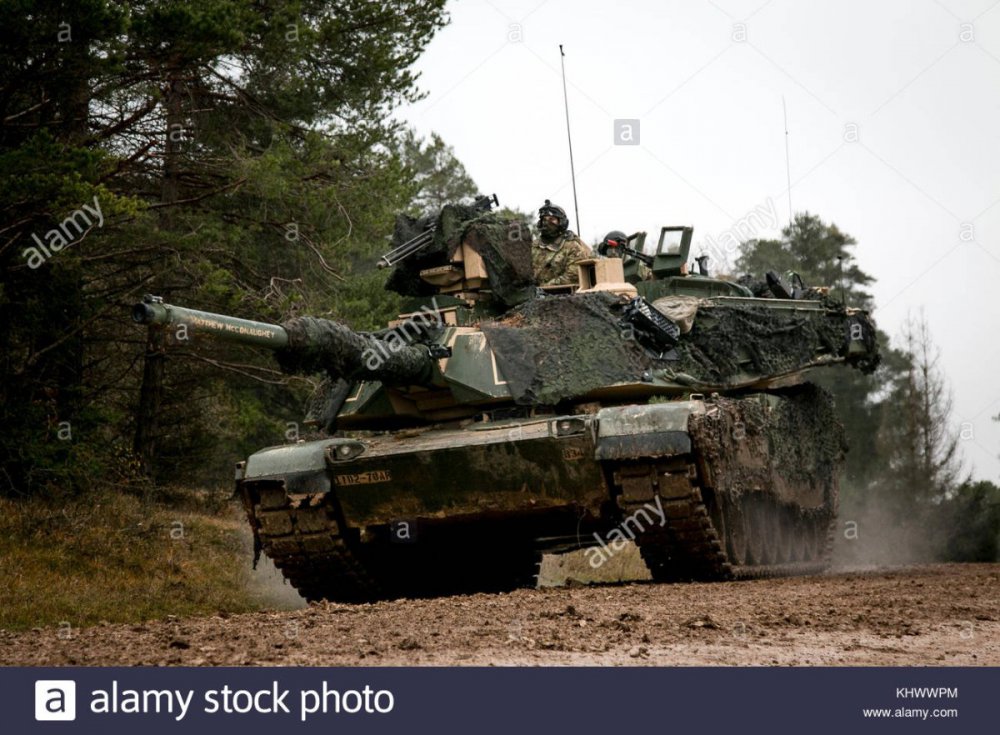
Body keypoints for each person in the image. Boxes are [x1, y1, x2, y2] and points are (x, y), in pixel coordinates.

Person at [531, 200, 592, 286]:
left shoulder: (572, 246)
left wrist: (544, 287)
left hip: (563, 294)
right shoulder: (534, 245)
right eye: (544, 219)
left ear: (561, 222)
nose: (547, 223)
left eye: (552, 219)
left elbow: (573, 276)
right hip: (533, 294)